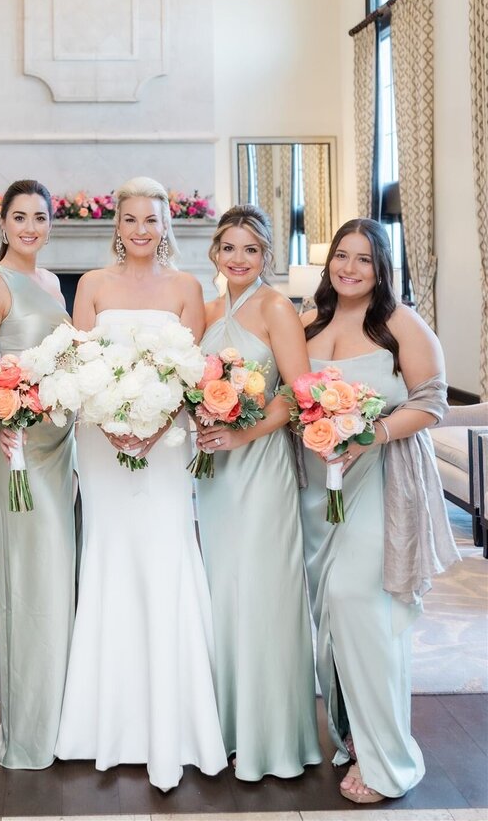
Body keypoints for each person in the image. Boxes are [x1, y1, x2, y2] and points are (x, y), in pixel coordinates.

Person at [54, 176, 226, 792]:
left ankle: (177, 723)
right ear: (117, 226)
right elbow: (77, 364)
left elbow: (193, 375)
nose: (141, 230)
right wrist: (108, 426)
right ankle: (103, 722)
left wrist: (153, 431)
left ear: (165, 225)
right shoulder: (92, 286)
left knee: (164, 555)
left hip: (166, 445)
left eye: (151, 219)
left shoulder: (187, 288)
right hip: (100, 444)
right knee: (110, 558)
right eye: (130, 219)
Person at [300, 218, 455, 804]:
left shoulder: (400, 323)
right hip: (318, 489)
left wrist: (373, 435)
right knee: (329, 618)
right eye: (342, 255)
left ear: (382, 268)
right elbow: (286, 395)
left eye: (364, 259)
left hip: (381, 480)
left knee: (359, 604)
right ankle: (354, 733)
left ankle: (388, 757)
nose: (350, 268)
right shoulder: (308, 322)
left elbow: (433, 402)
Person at [194, 205, 322, 780]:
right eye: (229, 248)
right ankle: (225, 726)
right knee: (222, 591)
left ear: (266, 254)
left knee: (262, 591)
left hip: (260, 465)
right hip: (215, 473)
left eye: (251, 249)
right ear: (215, 253)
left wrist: (241, 432)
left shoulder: (276, 307)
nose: (239, 258)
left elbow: (296, 394)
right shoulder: (209, 310)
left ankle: (269, 737)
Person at [0, 179, 75, 769]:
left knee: (61, 574)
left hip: (60, 443)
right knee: (32, 577)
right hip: (19, 447)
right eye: (20, 217)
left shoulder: (52, 284)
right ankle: (33, 729)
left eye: (39, 217)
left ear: (50, 224)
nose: (30, 227)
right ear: (3, 223)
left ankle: (65, 713)